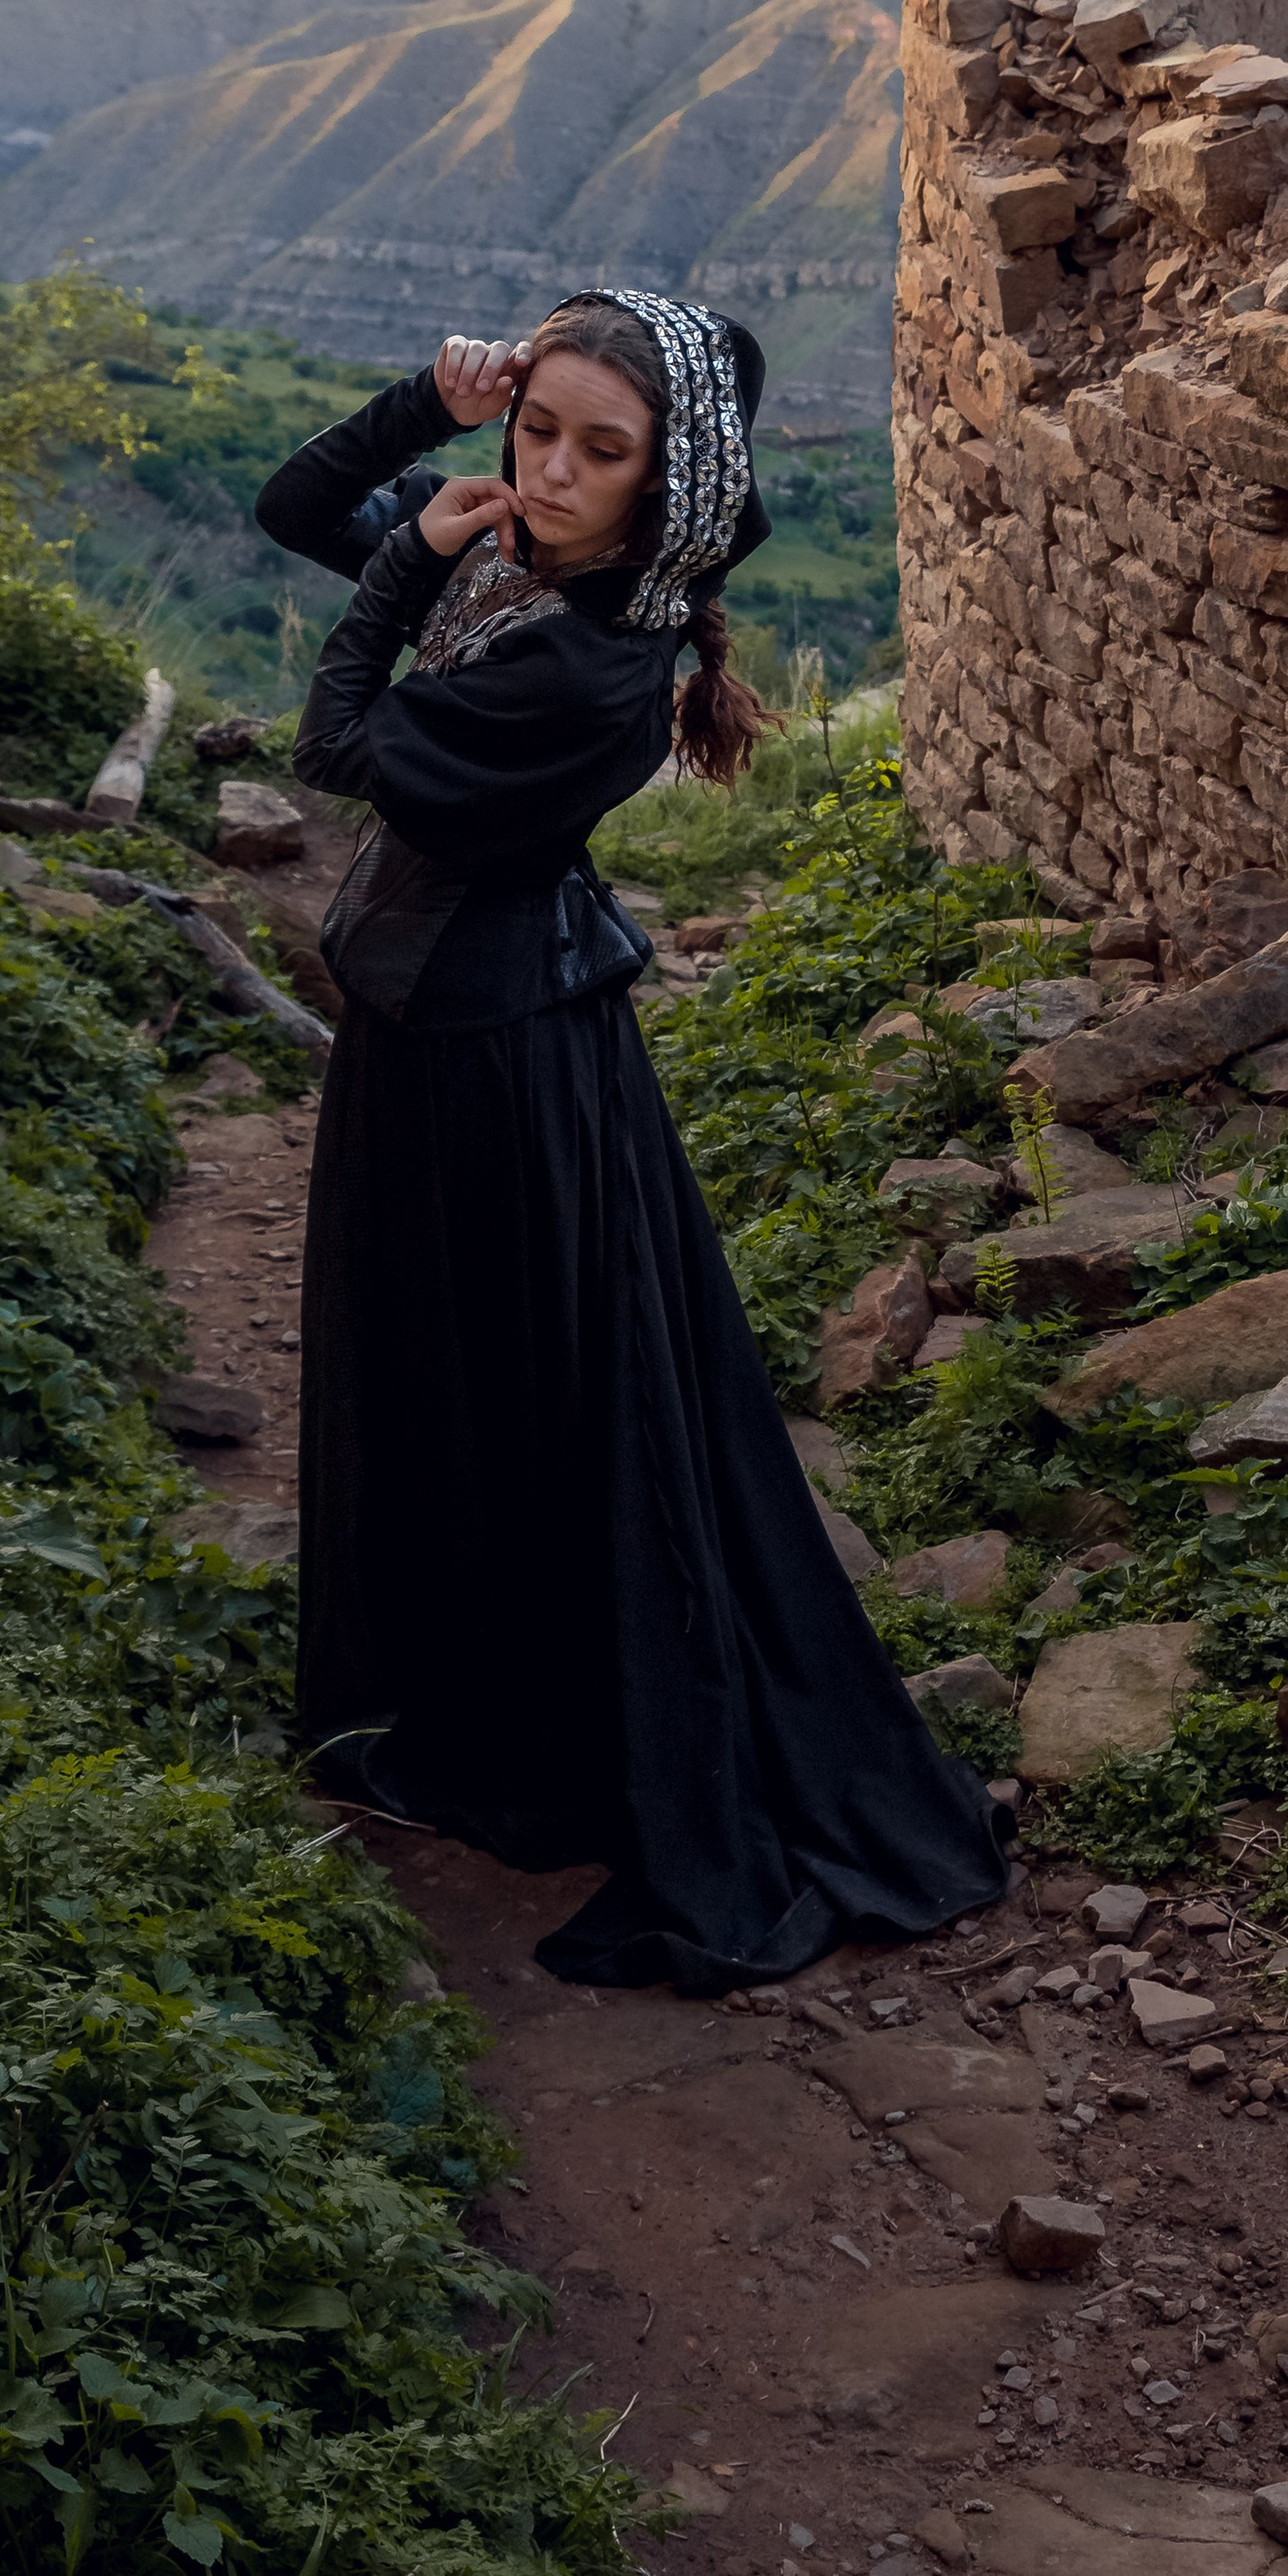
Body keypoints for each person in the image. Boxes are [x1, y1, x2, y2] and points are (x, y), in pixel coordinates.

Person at [253, 289, 1010, 1989]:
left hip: (494, 1063)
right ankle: (459, 1697)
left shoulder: (588, 659)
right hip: (441, 1030)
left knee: (516, 1388)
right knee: (452, 1378)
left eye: (601, 452)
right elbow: (297, 506)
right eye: (538, 433)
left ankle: (542, 1729)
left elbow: (334, 742)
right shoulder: (516, 562)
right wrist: (425, 409)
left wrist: (412, 561)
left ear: (666, 483)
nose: (551, 473)